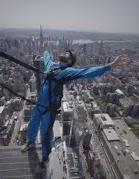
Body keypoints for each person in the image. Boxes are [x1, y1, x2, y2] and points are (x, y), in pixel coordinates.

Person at [21, 42, 130, 174]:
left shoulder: (67, 72)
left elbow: (87, 72)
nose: (66, 53)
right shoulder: (52, 66)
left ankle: (44, 160)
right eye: (66, 52)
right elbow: (47, 57)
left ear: (69, 61)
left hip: (48, 110)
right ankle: (30, 142)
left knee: (45, 135)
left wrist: (110, 65)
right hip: (39, 105)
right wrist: (45, 47)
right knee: (32, 123)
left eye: (69, 54)